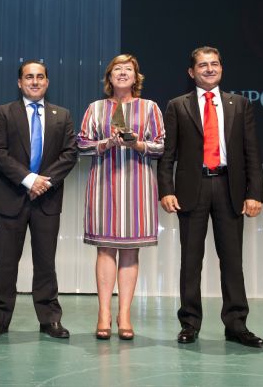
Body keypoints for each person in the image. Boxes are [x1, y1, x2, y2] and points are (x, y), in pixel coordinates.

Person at [157, 46, 263, 348]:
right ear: (192, 72)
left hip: (229, 188)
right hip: (193, 189)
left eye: (214, 64)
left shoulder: (240, 104)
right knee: (191, 261)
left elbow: (252, 153)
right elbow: (168, 154)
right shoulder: (178, 105)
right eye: (202, 65)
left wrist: (254, 193)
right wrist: (166, 189)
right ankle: (189, 323)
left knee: (232, 261)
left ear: (221, 69)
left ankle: (236, 325)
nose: (209, 69)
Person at [0, 60, 77, 339]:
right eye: (29, 77)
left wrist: (43, 182)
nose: (35, 82)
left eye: (40, 77)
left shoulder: (63, 115)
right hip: (11, 197)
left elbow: (69, 154)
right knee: (6, 262)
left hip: (47, 199)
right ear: (20, 82)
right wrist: (28, 179)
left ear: (47, 82)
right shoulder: (4, 113)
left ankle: (50, 319)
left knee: (46, 262)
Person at [77, 54, 165, 340]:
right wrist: (105, 143)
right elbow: (81, 144)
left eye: (128, 69)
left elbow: (162, 146)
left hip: (138, 185)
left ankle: (124, 314)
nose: (123, 73)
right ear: (109, 77)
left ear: (136, 77)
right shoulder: (95, 108)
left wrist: (137, 143)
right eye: (118, 69)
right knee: (105, 249)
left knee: (130, 250)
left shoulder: (150, 107)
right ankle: (103, 313)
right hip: (104, 183)